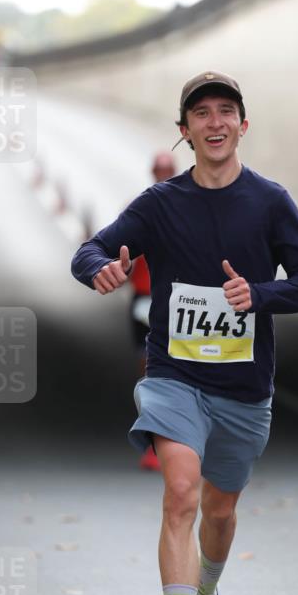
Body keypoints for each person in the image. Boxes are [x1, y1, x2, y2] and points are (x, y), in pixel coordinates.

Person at [71, 71, 298, 595]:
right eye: (201, 114)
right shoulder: (161, 203)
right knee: (181, 493)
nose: (214, 122)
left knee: (219, 511)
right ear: (183, 132)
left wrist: (258, 294)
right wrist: (101, 268)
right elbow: (91, 249)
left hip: (243, 387)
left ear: (243, 125)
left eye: (226, 112)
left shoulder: (270, 202)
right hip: (174, 376)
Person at [130, 151, 177, 472]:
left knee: (173, 371)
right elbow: (123, 251)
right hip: (143, 298)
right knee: (149, 370)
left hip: (174, 299)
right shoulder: (141, 208)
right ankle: (154, 442)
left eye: (166, 171)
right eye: (158, 171)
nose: (161, 175)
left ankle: (171, 442)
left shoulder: (185, 209)